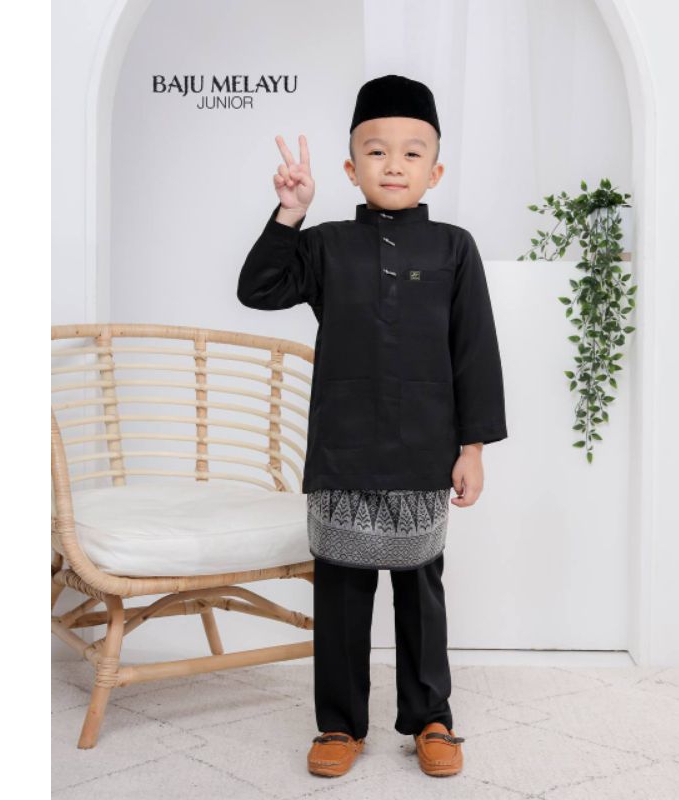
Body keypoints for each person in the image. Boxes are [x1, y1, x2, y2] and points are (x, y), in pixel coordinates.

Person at [237, 74, 507, 778]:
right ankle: (338, 725)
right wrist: (291, 212)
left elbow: (474, 351)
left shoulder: (453, 248)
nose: (394, 165)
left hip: (425, 450)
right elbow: (258, 289)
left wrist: (473, 448)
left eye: (412, 153)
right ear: (350, 167)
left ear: (435, 171)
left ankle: (432, 718)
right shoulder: (326, 246)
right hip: (345, 449)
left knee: (421, 591)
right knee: (341, 594)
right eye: (376, 151)